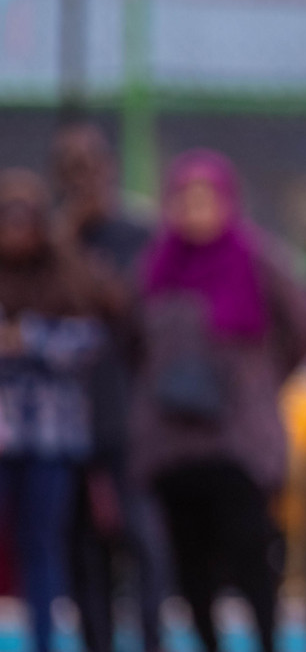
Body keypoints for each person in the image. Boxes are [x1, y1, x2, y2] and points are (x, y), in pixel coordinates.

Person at [131, 151, 306, 652]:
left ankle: (266, 641)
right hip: (172, 441)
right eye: (185, 200)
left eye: (205, 199)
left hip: (239, 440)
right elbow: (130, 335)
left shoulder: (256, 257)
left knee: (251, 553)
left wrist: (263, 376)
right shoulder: (157, 264)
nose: (195, 212)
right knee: (190, 562)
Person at [52, 123, 168, 652]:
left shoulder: (138, 236)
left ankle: (150, 639)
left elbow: (128, 307)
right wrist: (64, 237)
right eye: (72, 169)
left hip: (128, 410)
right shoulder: (45, 238)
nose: (85, 179)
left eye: (93, 165)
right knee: (79, 546)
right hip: (62, 415)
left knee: (143, 539)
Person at [0, 169, 110, 652]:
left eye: (25, 217)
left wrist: (33, 339)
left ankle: (43, 643)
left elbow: (93, 339)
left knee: (41, 546)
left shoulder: (66, 274)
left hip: (52, 436)